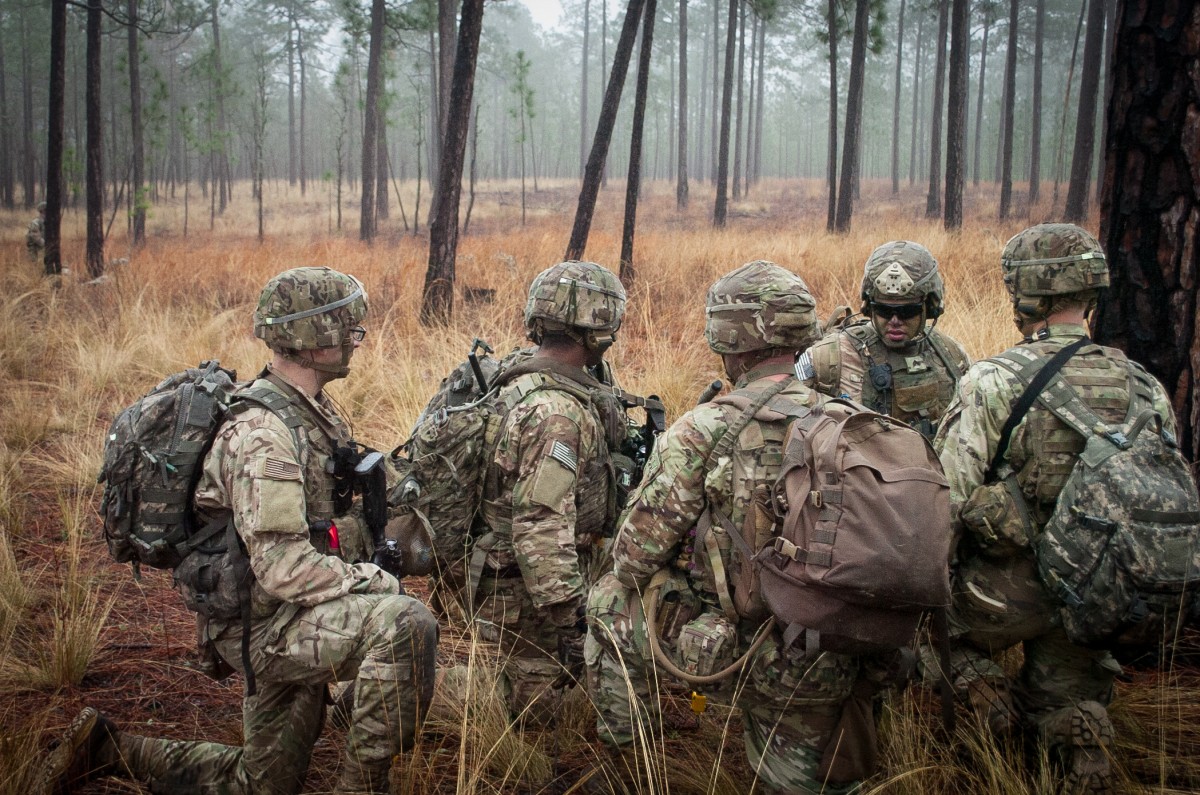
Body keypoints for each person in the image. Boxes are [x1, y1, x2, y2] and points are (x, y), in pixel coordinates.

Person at [40, 266, 438, 795]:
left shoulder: (311, 412)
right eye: (346, 327)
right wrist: (374, 581)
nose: (356, 340)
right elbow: (282, 568)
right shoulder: (264, 435)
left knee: (263, 784)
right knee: (403, 622)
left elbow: (313, 530)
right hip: (267, 626)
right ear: (310, 336)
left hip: (289, 610)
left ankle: (110, 750)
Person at [586, 261, 898, 795]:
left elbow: (632, 558)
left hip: (738, 651)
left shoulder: (707, 428)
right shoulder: (853, 423)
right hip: (838, 651)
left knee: (608, 600)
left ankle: (622, 763)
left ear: (729, 340)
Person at [934, 224, 1176, 793]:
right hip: (1100, 594)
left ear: (1024, 295)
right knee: (1065, 689)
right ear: (1091, 293)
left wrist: (928, 588)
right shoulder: (1145, 387)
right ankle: (1071, 724)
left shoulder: (993, 379)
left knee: (923, 633)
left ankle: (987, 701)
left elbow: (944, 499)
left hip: (1006, 591)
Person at [470, 260, 630, 725]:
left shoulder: (522, 379)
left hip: (517, 582)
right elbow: (540, 526)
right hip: (525, 594)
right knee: (538, 716)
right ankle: (404, 694)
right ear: (598, 330)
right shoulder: (556, 413)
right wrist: (575, 621)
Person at [805, 240, 970, 439]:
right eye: (883, 310)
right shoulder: (827, 357)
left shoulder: (950, 354)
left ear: (930, 307)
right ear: (869, 307)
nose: (895, 321)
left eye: (907, 311)